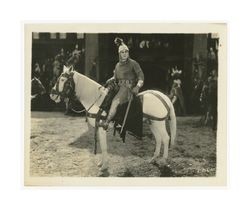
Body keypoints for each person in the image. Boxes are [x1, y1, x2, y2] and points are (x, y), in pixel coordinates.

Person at [99, 37, 144, 130]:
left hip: (128, 88)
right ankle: (103, 114)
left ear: (128, 52)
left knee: (115, 101)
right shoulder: (117, 65)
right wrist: (108, 81)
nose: (124, 54)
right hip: (118, 86)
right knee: (106, 94)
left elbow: (141, 76)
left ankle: (107, 122)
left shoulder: (133, 63)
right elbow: (115, 78)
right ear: (119, 54)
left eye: (126, 52)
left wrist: (138, 86)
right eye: (122, 52)